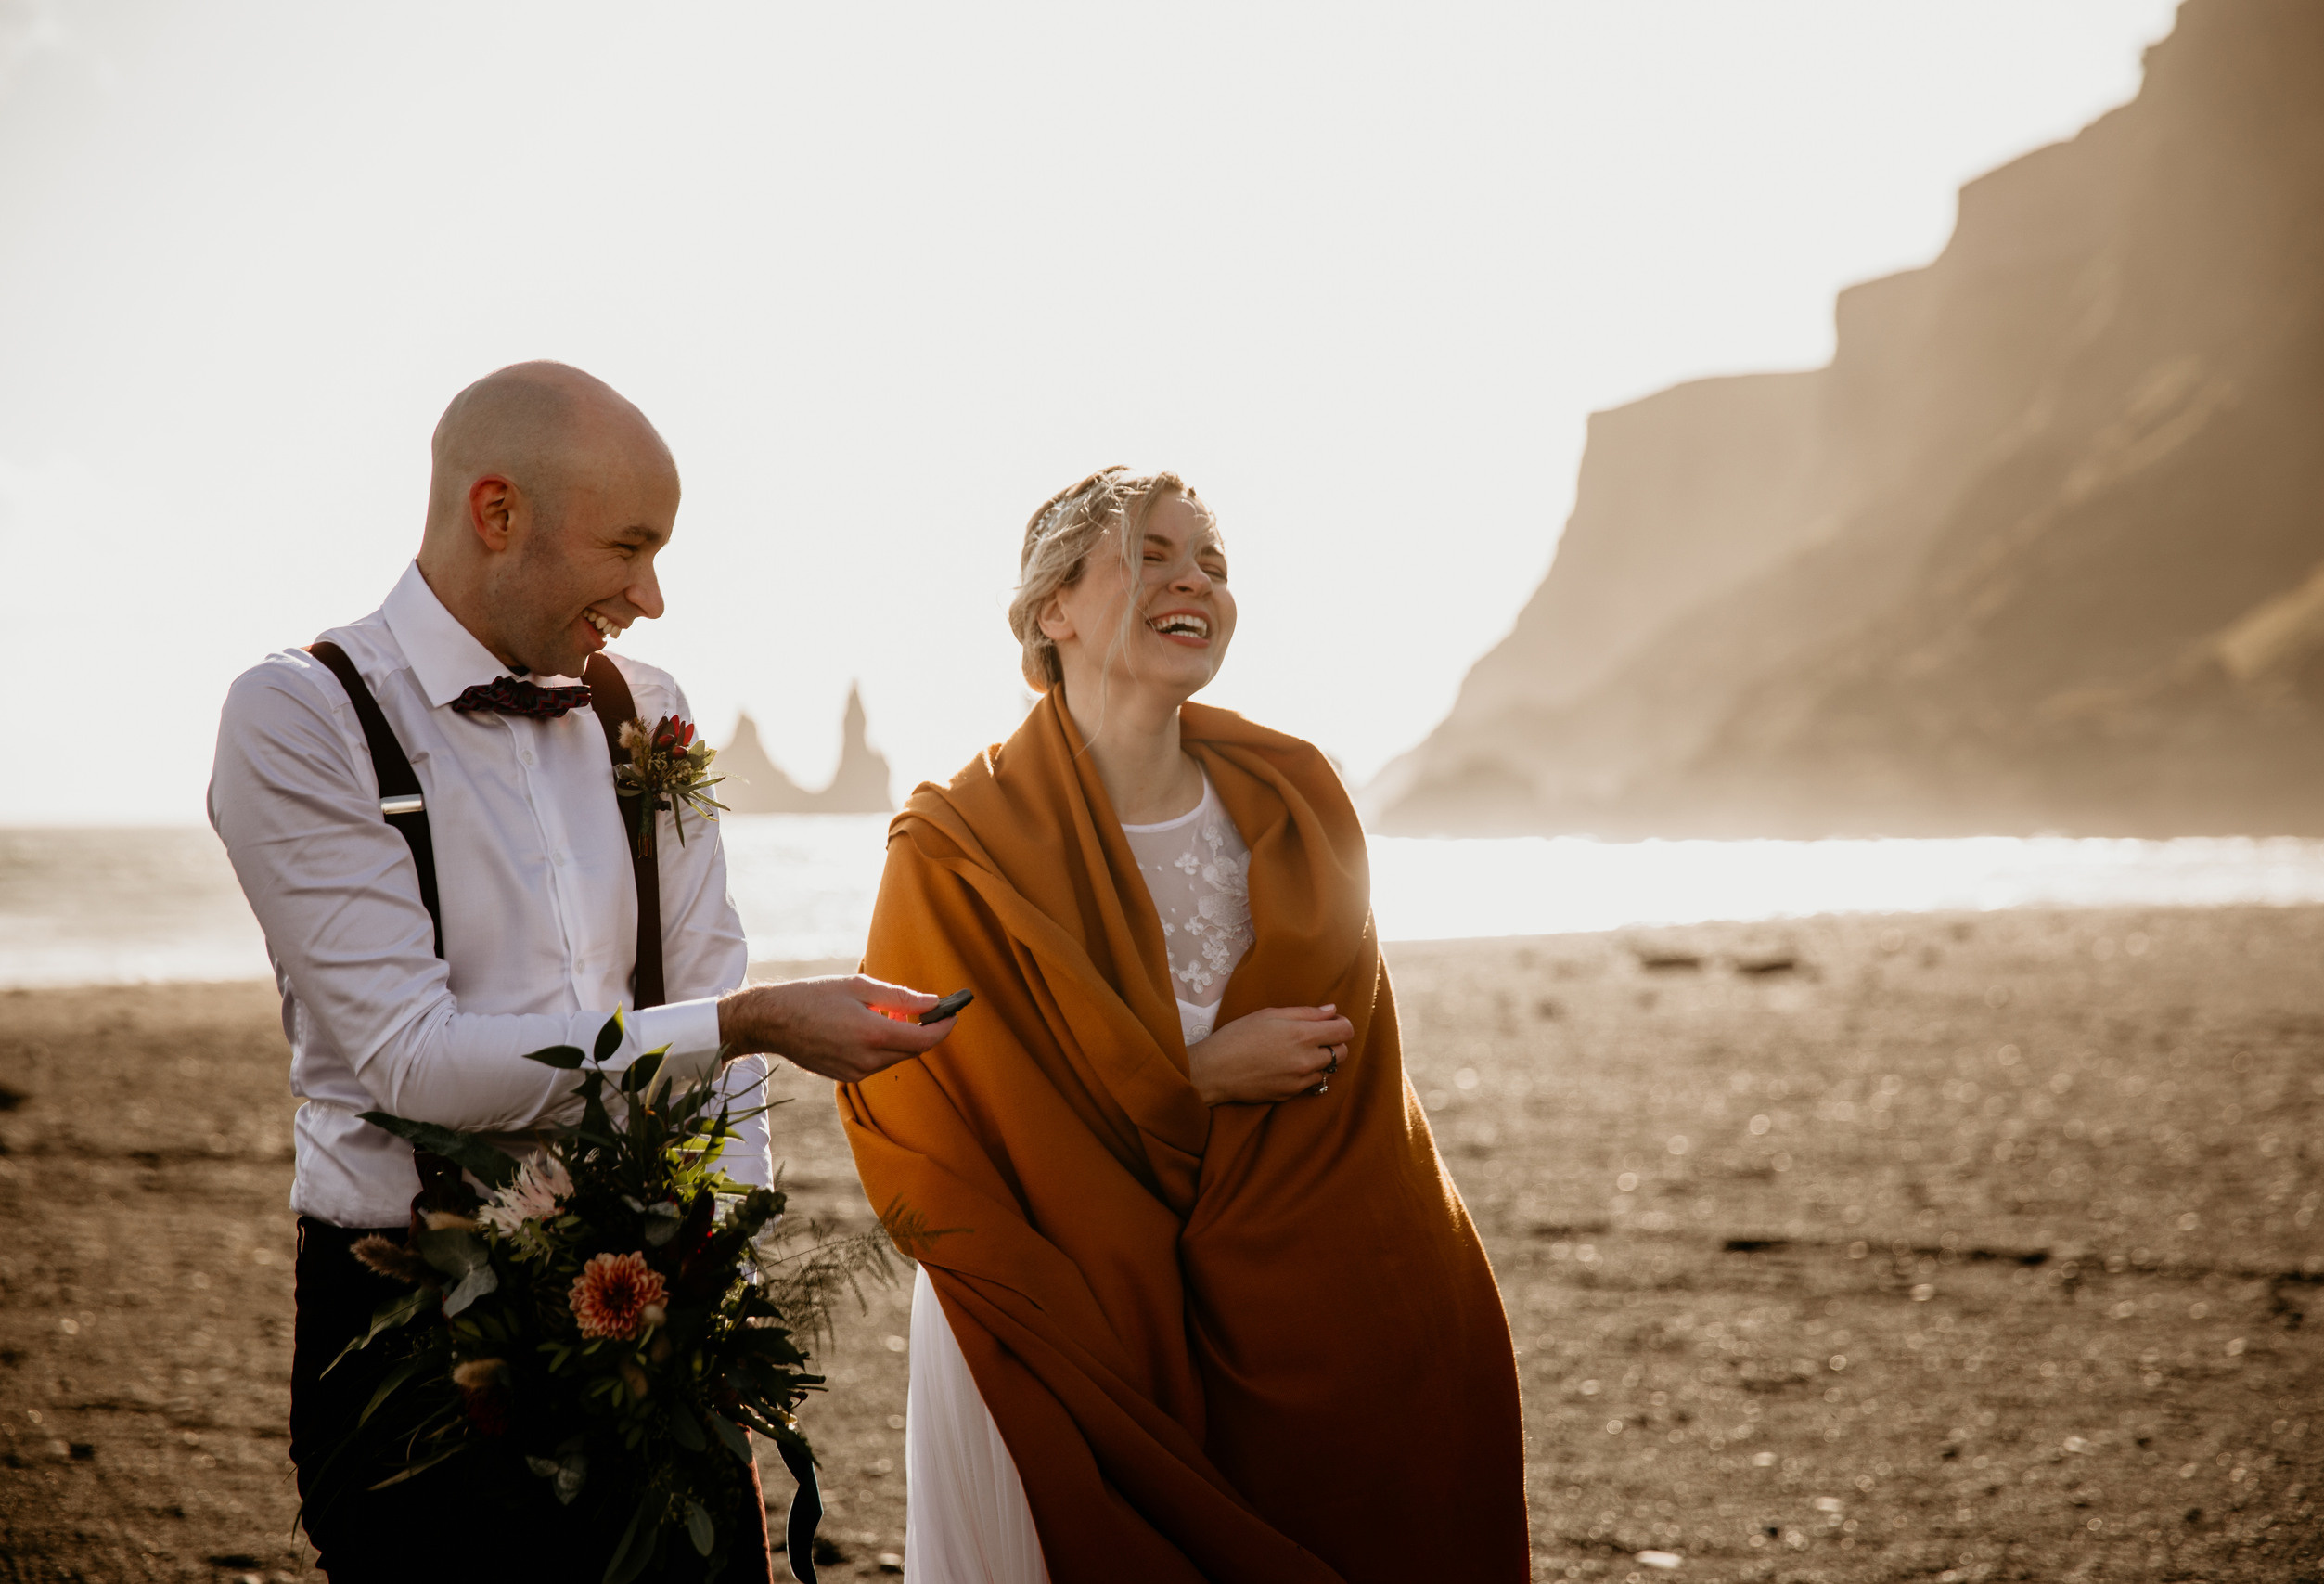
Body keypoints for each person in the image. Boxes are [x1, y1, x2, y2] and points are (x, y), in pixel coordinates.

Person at [209, 361, 955, 1580]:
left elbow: (706, 987)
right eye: (629, 547)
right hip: (413, 1316)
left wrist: (723, 1273)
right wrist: (747, 1021)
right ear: (497, 511)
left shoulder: (647, 709)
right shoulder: (302, 714)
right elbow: (411, 1063)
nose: (652, 596)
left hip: (655, 1285)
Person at [840, 468, 1531, 1582]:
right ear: (1052, 610)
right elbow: (948, 1109)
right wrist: (1194, 1077)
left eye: (1212, 562)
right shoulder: (956, 845)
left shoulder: (1294, 802)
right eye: (1151, 555)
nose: (1194, 581)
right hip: (1051, 1303)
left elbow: (1351, 1083)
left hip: (1289, 1275)